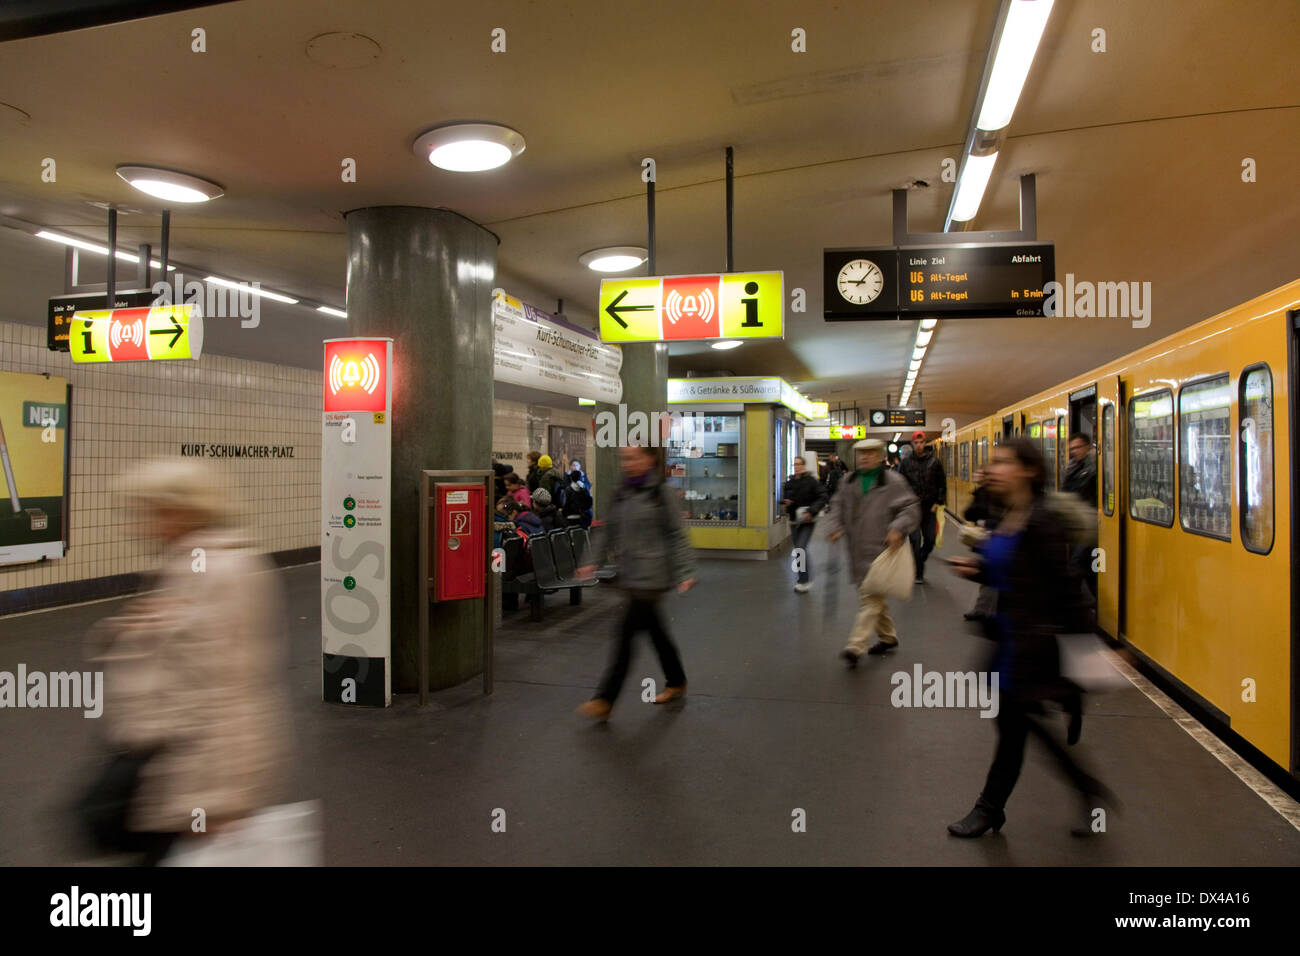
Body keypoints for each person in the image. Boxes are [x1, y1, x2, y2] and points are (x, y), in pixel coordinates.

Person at [81, 458, 290, 865]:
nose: (135, 526)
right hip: (162, 761)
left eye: (148, 512)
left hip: (194, 773)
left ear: (182, 510)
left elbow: (228, 689)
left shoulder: (221, 571)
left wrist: (219, 798)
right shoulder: (189, 564)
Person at [945, 438, 1111, 838]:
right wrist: (978, 569)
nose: (994, 469)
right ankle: (1087, 790)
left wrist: (1091, 661)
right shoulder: (1009, 512)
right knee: (1019, 729)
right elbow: (1011, 570)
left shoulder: (1043, 522)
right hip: (1007, 640)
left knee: (1015, 729)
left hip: (1032, 647)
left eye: (1003, 463)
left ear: (1029, 471)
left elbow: (1069, 592)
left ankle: (990, 807)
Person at [575, 444, 697, 720]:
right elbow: (608, 530)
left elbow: (677, 534)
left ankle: (605, 699)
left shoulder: (659, 492)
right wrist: (591, 560)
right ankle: (676, 680)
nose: (627, 463)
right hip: (630, 574)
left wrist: (685, 571)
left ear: (649, 458)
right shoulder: (623, 491)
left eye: (633, 457)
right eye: (624, 458)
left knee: (625, 635)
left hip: (653, 576)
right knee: (656, 632)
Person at [821, 438, 920, 665]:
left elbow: (910, 507)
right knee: (872, 596)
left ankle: (856, 646)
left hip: (881, 550)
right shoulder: (848, 481)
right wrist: (834, 526)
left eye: (870, 453)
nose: (864, 457)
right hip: (856, 550)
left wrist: (897, 528)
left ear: (880, 455)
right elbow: (837, 506)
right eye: (861, 453)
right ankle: (888, 636)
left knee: (870, 598)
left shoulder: (893, 481)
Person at [899, 430, 947, 584]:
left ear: (925, 443)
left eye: (921, 442)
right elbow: (900, 484)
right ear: (913, 444)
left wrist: (938, 502)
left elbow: (942, 484)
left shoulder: (935, 462)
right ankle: (918, 573)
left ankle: (919, 559)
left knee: (930, 540)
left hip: (929, 509)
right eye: (916, 443)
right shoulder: (905, 464)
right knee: (914, 540)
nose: (919, 445)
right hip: (912, 509)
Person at [781, 455, 828, 593]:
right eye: (795, 464)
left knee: (801, 547)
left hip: (808, 520)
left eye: (799, 464)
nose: (797, 467)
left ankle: (804, 580)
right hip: (794, 521)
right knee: (799, 551)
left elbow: (823, 496)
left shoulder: (812, 482)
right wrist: (787, 504)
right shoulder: (789, 483)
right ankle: (803, 579)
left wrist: (811, 511)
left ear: (804, 466)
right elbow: (788, 500)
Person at [962, 466, 1002, 622]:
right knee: (989, 574)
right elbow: (969, 513)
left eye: (978, 472)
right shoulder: (982, 492)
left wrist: (984, 522)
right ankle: (983, 609)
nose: (974, 474)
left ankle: (984, 610)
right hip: (989, 537)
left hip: (993, 537)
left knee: (991, 575)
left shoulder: (990, 494)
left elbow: (975, 513)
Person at [1062, 432, 1099, 599]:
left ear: (1088, 447)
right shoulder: (1073, 466)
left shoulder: (1095, 467)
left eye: (1078, 447)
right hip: (1077, 522)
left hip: (1090, 523)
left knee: (1079, 564)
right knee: (1088, 568)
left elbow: (1081, 490)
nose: (1074, 451)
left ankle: (1072, 602)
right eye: (1072, 449)